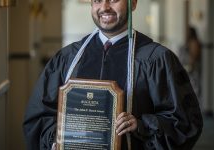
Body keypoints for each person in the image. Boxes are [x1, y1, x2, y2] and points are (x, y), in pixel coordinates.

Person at [23, 0, 203, 149]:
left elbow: (186, 123)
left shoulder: (157, 59)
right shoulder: (67, 58)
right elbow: (39, 116)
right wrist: (56, 141)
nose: (105, 7)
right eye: (97, 1)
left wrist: (141, 125)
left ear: (133, 4)